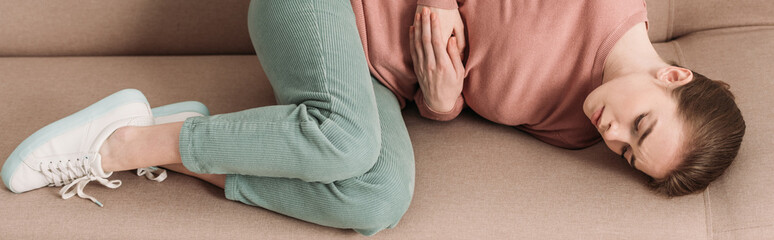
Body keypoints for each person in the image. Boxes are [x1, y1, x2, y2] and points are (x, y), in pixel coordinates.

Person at [0, 0, 745, 236]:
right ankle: (120, 144)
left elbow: (444, 88)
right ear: (672, 76)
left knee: (378, 201)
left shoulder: (577, 123)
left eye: (624, 154)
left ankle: (191, 136)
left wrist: (444, 106)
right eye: (640, 128)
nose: (611, 138)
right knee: (350, 140)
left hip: (366, 76)